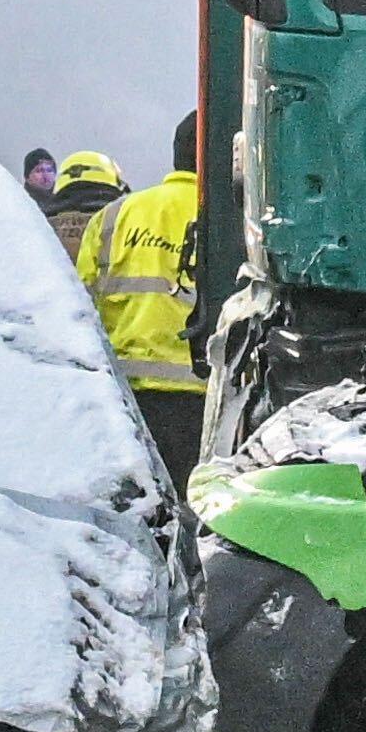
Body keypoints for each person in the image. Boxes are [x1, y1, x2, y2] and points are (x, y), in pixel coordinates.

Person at [87, 120, 208, 478]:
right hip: (201, 397)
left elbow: (78, 308)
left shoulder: (113, 216)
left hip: (122, 398)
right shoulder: (229, 218)